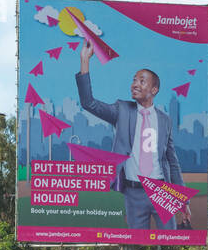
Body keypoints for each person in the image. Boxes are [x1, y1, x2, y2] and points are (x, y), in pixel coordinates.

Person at [75, 39, 191, 230]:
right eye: (134, 80)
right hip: (134, 192)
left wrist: (182, 199)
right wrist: (85, 61)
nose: (135, 84)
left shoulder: (164, 120)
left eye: (142, 81)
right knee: (136, 243)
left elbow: (172, 161)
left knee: (170, 240)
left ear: (154, 90)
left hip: (162, 191)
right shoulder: (122, 110)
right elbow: (89, 103)